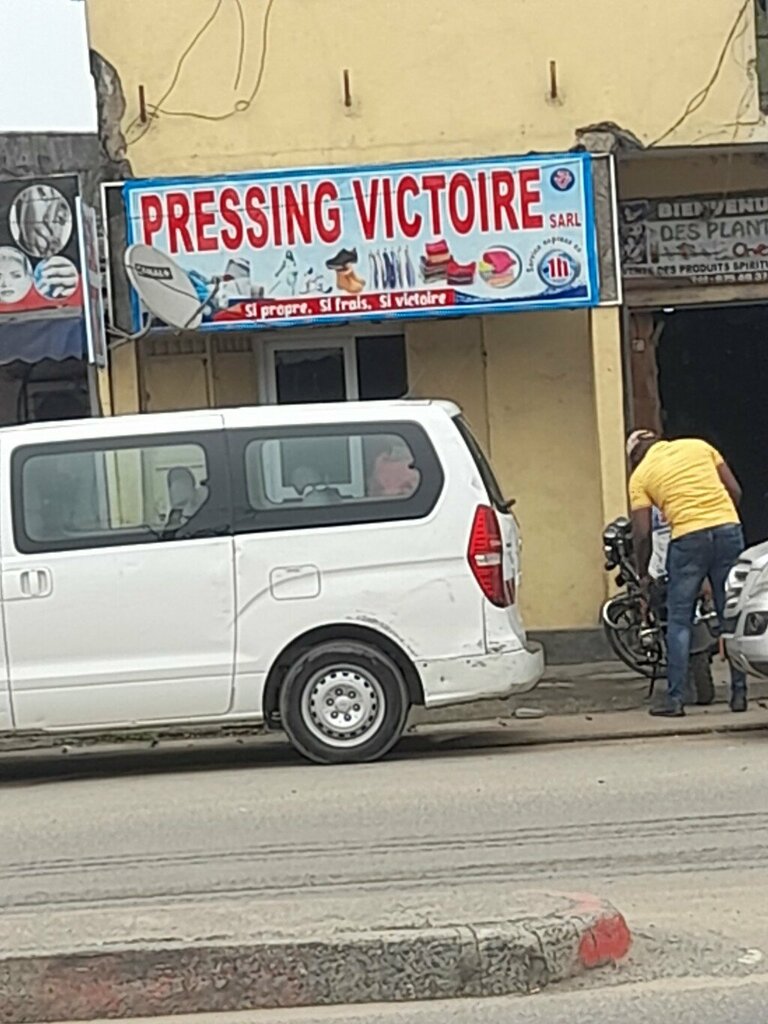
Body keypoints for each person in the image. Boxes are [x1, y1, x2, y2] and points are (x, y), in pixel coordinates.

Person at [627, 429, 747, 717]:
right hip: (728, 530)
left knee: (679, 620)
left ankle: (675, 700)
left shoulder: (641, 476)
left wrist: (643, 573)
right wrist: (722, 519)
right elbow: (735, 490)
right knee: (728, 612)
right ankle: (739, 694)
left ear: (634, 457)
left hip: (688, 538)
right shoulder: (699, 446)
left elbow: (643, 534)